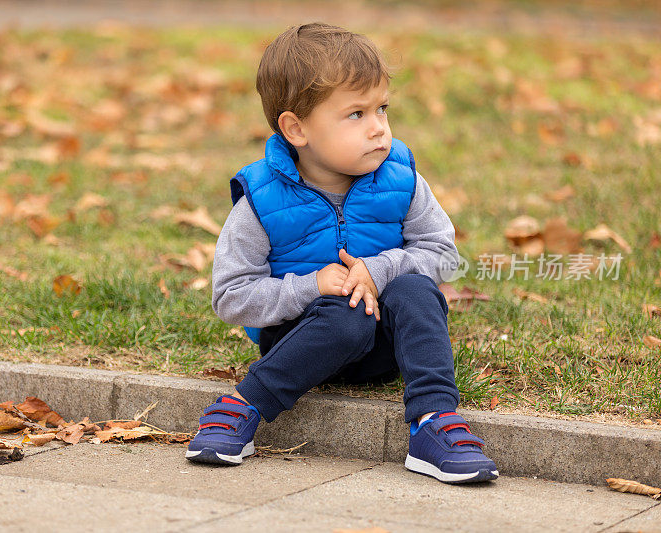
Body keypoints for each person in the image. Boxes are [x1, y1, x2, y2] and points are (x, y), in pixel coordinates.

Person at [185, 22, 498, 484]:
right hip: (301, 340)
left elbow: (445, 255)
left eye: (382, 109)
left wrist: (381, 268)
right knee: (343, 314)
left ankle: (434, 423)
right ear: (296, 128)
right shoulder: (262, 199)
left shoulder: (401, 180)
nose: (378, 128)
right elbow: (231, 296)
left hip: (385, 347)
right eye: (356, 114)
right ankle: (243, 405)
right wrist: (311, 287)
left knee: (414, 289)